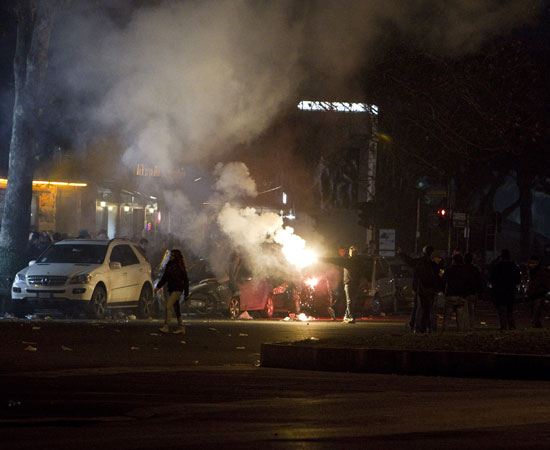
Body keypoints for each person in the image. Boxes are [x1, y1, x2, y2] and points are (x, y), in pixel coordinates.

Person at [322, 246, 365, 323]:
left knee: (351, 301)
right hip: (349, 283)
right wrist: (324, 259)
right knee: (350, 301)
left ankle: (347, 316)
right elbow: (335, 260)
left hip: (352, 283)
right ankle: (349, 316)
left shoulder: (352, 261)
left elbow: (335, 260)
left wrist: (323, 259)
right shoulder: (353, 261)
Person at [154, 249, 189, 334]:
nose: (170, 257)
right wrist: (158, 286)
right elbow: (164, 278)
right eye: (170, 255)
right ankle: (181, 327)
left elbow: (185, 280)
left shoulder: (180, 267)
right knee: (176, 308)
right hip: (171, 289)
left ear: (176, 257)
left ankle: (166, 326)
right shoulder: (169, 265)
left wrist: (186, 293)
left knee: (168, 306)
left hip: (178, 289)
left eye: (172, 256)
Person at [490, 249, 521, 331]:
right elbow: (518, 280)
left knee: (502, 310)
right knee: (510, 311)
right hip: (510, 291)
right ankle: (511, 326)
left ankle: (504, 326)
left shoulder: (498, 267)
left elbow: (492, 278)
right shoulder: (514, 267)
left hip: (500, 291)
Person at [441, 254, 469, 331]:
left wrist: (444, 292)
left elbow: (443, 281)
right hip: (461, 295)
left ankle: (445, 331)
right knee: (460, 317)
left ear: (453, 261)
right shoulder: (465, 271)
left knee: (447, 317)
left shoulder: (449, 270)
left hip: (451, 294)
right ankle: (460, 331)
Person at [526, 255, 550, 328]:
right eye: (530, 263)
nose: (531, 265)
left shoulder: (541, 272)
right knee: (534, 312)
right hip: (533, 295)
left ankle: (535, 325)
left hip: (539, 295)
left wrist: (543, 291)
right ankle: (537, 326)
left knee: (536, 313)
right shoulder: (531, 272)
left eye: (533, 263)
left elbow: (546, 283)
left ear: (537, 263)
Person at [463, 252, 483, 330]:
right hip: (472, 292)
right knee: (471, 310)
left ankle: (465, 325)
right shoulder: (475, 269)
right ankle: (471, 325)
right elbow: (479, 281)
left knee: (464, 310)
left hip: (464, 292)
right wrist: (479, 292)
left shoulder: (462, 268)